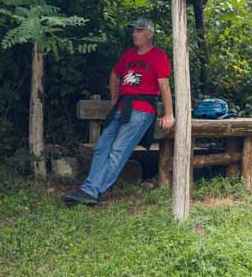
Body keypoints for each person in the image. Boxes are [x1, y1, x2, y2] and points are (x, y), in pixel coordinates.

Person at [63, 18, 175, 206]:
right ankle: (89, 190)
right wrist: (115, 97)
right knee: (102, 147)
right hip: (122, 108)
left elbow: (164, 86)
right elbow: (115, 74)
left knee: (117, 150)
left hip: (142, 110)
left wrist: (169, 114)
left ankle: (92, 191)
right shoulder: (129, 55)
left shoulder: (158, 56)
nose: (134, 34)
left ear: (149, 34)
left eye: (139, 31)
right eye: (133, 31)